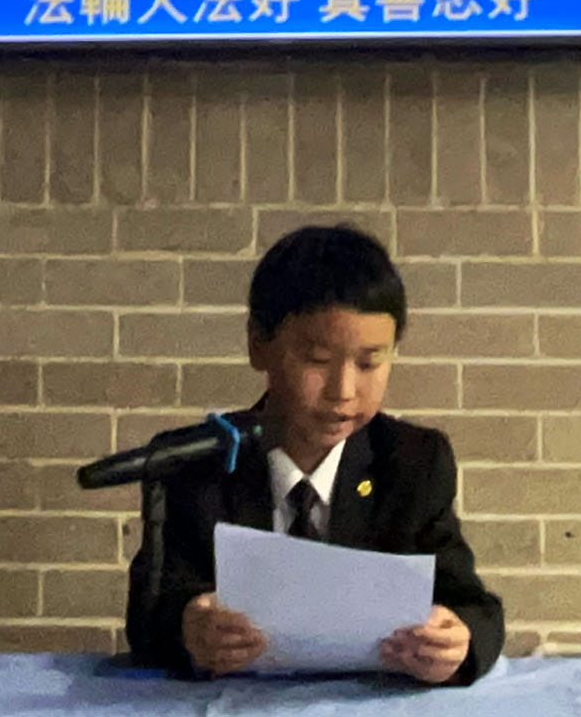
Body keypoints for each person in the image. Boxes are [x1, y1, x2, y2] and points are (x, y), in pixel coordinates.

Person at [125, 225, 504, 686]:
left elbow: (475, 607)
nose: (343, 391)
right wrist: (187, 629)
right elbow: (149, 616)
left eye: (369, 363)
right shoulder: (195, 463)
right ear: (258, 344)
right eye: (318, 361)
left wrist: (457, 642)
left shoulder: (413, 462)